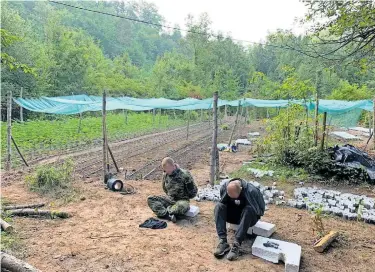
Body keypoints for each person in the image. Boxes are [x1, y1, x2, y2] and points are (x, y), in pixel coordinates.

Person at [214, 178, 265, 261]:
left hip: (248, 218)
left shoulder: (252, 191)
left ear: (241, 189)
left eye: (235, 197)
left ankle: (236, 244)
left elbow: (261, 210)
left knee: (248, 209)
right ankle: (223, 241)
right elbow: (223, 203)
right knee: (219, 206)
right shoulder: (224, 187)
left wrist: (249, 210)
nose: (233, 199)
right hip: (234, 215)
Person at [147, 157, 198, 223]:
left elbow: (193, 192)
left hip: (182, 200)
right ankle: (169, 215)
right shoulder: (165, 174)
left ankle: (165, 212)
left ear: (173, 166)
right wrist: (169, 198)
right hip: (169, 199)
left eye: (168, 170)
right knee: (151, 199)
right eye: (165, 170)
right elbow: (164, 188)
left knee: (182, 206)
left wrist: (185, 198)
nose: (166, 172)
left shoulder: (185, 175)